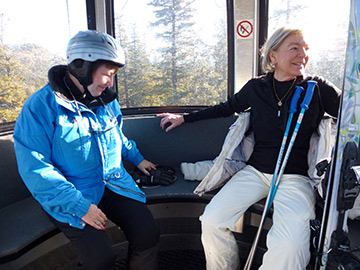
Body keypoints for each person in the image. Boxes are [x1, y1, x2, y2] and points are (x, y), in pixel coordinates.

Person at [158, 27, 341, 270]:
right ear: (273, 56)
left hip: (296, 177)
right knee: (212, 220)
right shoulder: (257, 87)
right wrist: (185, 118)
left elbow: (351, 115)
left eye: (306, 49)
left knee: (290, 246)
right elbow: (226, 107)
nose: (303, 55)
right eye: (294, 48)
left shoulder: (317, 88)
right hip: (255, 172)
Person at [13, 30, 160, 270]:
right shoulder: (40, 108)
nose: (111, 83)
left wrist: (137, 158)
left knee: (148, 232)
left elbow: (116, 135)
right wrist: (80, 206)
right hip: (69, 193)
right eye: (107, 75)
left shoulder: (105, 99)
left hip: (112, 182)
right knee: (100, 260)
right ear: (82, 68)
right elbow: (36, 168)